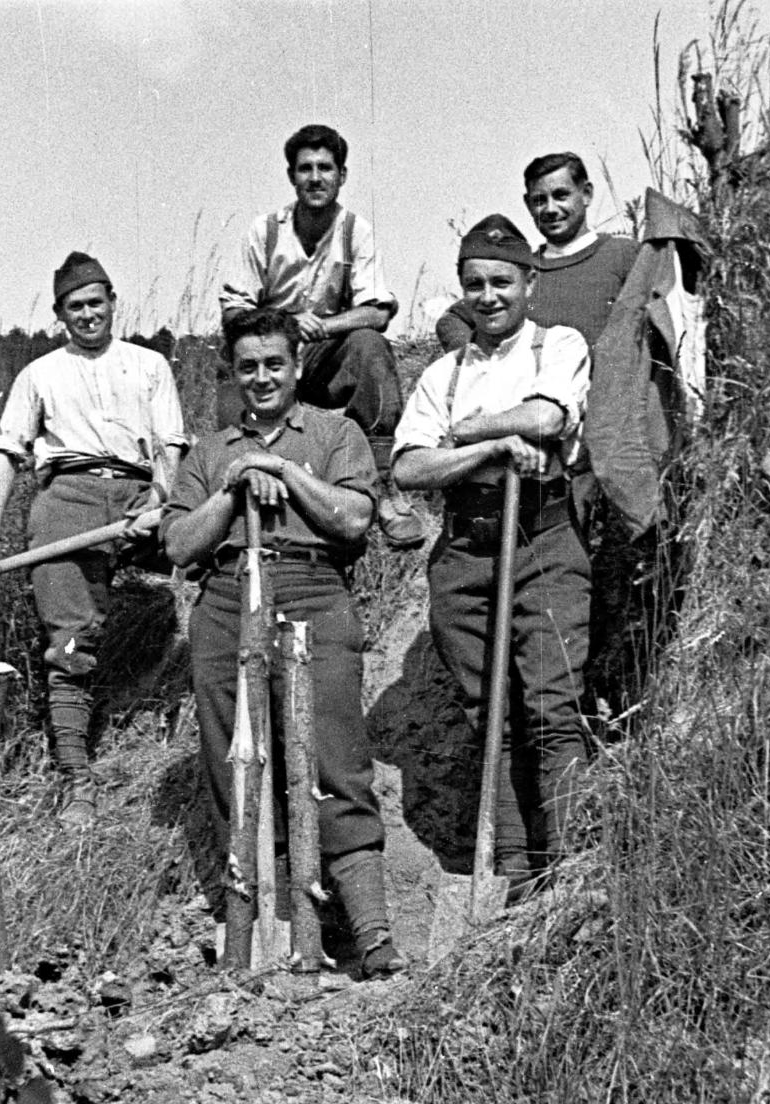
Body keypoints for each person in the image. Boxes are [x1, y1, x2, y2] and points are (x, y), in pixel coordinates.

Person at [161, 307, 405, 979]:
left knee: (334, 758)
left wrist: (280, 467)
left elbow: (353, 519)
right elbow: (179, 543)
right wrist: (236, 485)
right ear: (232, 375)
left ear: (297, 366)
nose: (262, 377)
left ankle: (369, 931)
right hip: (225, 601)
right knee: (232, 762)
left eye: (275, 364)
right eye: (248, 367)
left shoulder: (335, 433)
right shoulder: (209, 453)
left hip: (312, 594)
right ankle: (257, 926)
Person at [393, 217, 591, 895]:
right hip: (466, 544)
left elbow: (545, 419)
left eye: (501, 281)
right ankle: (507, 865)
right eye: (473, 283)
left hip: (543, 535)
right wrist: (488, 450)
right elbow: (412, 469)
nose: (487, 296)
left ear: (528, 283)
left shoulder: (555, 345)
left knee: (550, 703)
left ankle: (566, 870)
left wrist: (473, 428)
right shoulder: (441, 373)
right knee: (489, 710)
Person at [0, 252, 188, 829]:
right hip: (68, 501)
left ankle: (192, 716)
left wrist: (162, 498)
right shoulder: (40, 374)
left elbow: (171, 444)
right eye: (76, 307)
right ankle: (76, 777)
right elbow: (7, 455)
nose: (88, 314)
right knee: (68, 644)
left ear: (114, 302)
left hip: (142, 497)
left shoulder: (148, 365)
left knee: (208, 560)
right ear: (59, 315)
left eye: (97, 302)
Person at [219, 123, 424, 549]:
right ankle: (225, 494)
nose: (315, 178)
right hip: (272, 351)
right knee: (230, 366)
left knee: (370, 346)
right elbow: (235, 309)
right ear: (291, 175)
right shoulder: (266, 231)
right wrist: (287, 322)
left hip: (326, 358)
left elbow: (379, 309)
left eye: (325, 168)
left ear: (342, 175)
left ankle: (384, 488)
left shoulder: (355, 230)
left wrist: (324, 326)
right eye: (305, 168)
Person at [436, 152, 638, 356]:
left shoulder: (624, 255)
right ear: (527, 204)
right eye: (540, 200)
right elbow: (454, 319)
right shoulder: (519, 271)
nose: (550, 209)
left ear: (586, 194)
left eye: (561, 196)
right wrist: (479, 362)